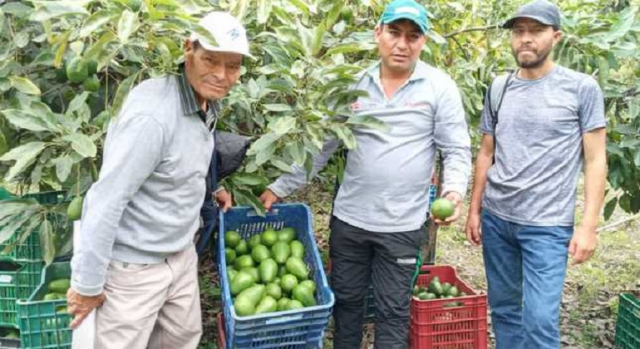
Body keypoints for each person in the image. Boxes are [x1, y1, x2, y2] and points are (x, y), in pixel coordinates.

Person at [260, 0, 471, 347]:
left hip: (403, 224)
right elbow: (322, 146)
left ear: (424, 41)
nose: (402, 44)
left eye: (413, 36)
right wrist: (281, 186)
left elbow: (456, 148)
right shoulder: (353, 84)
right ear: (378, 34)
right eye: (394, 33)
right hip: (351, 220)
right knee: (347, 303)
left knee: (392, 311)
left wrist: (453, 192)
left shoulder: (439, 87)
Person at [67, 11, 252, 349]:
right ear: (188, 50)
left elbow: (180, 159)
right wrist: (87, 285)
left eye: (233, 66)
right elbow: (106, 200)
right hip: (133, 269)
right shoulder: (152, 117)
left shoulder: (203, 102)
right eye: (210, 60)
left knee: (181, 340)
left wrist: (212, 188)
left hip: (180, 256)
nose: (222, 75)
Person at [464, 1, 607, 348]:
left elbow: (595, 159)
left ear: (555, 36)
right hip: (498, 220)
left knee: (540, 322)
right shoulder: (499, 87)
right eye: (519, 31)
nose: (525, 39)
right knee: (505, 312)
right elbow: (486, 152)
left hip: (547, 226)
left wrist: (588, 227)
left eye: (536, 31)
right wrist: (474, 209)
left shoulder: (581, 89)